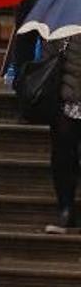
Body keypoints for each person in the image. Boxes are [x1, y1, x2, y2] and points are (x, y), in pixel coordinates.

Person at [44, 25, 81, 233]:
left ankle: (66, 209)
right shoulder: (62, 25)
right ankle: (66, 208)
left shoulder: (62, 22)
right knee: (63, 158)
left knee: (63, 158)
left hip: (65, 102)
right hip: (66, 103)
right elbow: (50, 58)